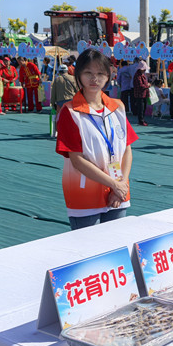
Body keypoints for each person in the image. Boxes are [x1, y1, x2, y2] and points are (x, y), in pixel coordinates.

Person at [55, 49, 138, 230]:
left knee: (116, 242)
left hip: (119, 192)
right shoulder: (70, 112)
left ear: (108, 76)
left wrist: (120, 185)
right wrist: (114, 184)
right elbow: (77, 160)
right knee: (87, 244)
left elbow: (127, 149)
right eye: (88, 73)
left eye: (100, 73)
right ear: (78, 75)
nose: (95, 79)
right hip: (84, 194)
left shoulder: (118, 107)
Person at [132, 61, 150, 126]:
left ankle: (142, 119)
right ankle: (141, 120)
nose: (145, 70)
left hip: (144, 94)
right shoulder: (137, 75)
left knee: (143, 107)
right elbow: (140, 85)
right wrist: (147, 85)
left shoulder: (142, 75)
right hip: (140, 94)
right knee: (141, 108)